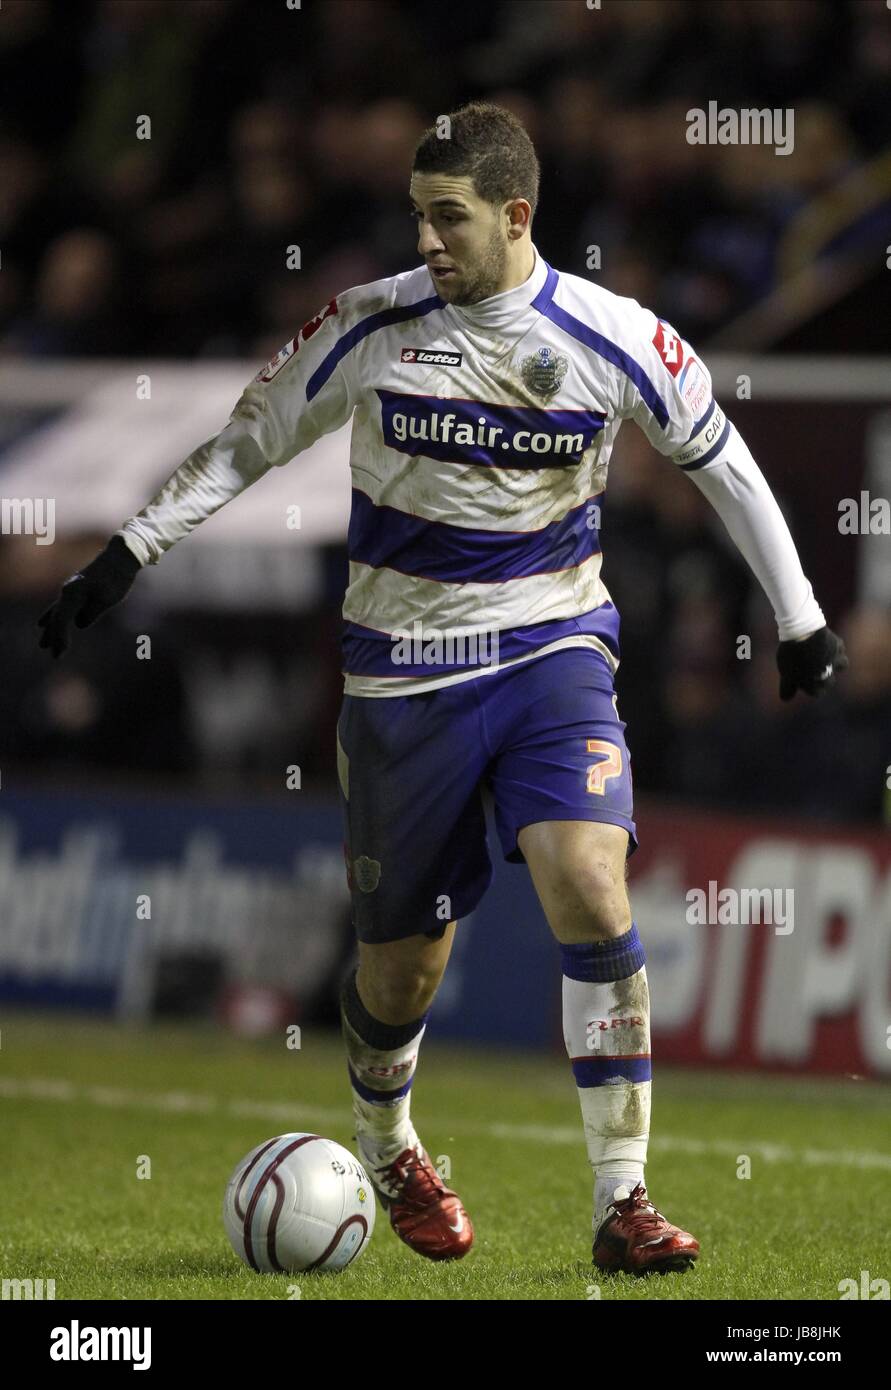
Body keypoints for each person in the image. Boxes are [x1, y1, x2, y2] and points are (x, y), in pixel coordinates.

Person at [38, 101, 848, 1276]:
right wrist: (124, 556)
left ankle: (623, 1201)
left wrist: (802, 615)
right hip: (399, 682)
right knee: (402, 970)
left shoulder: (611, 336)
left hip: (550, 652)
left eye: (449, 218)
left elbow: (723, 459)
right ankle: (388, 1138)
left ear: (517, 215)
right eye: (418, 215)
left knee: (589, 880)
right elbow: (246, 441)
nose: (425, 240)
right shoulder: (369, 327)